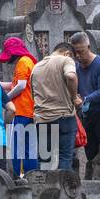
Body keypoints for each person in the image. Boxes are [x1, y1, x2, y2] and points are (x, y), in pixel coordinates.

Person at [29, 41, 81, 171]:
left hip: (42, 119)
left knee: (45, 159)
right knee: (64, 157)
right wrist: (74, 98)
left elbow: (33, 95)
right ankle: (63, 190)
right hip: (64, 117)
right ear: (67, 53)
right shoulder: (66, 60)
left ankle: (44, 190)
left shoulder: (36, 67)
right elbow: (71, 76)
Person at [69, 31, 100, 161]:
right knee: (90, 148)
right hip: (87, 112)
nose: (78, 56)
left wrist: (84, 99)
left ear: (89, 48)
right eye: (75, 52)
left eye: (81, 51)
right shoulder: (76, 67)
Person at [0, 36, 38, 177]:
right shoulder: (29, 61)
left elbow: (20, 86)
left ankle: (20, 178)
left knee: (18, 149)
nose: (8, 59)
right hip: (30, 111)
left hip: (21, 111)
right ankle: (32, 177)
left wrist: (5, 99)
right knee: (29, 149)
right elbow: (19, 84)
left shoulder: (22, 61)